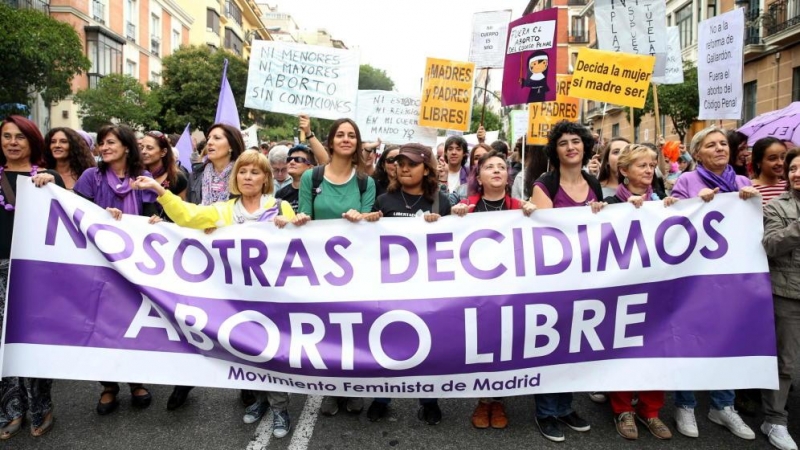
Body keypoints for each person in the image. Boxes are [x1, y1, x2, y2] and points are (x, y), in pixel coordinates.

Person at [134, 150, 296, 438]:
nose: (248, 177)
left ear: (266, 178)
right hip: (238, 300)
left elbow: (301, 248)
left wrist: (294, 225)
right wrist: (161, 191)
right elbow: (187, 215)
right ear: (236, 177)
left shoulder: (281, 208)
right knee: (251, 354)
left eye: (255, 172)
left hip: (274, 298)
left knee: (275, 355)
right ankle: (260, 402)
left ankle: (280, 408)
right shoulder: (223, 211)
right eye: (243, 172)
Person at [670, 125, 759, 440]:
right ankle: (686, 404)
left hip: (733, 276)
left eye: (723, 143)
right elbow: (672, 225)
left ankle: (723, 405)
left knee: (728, 338)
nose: (720, 148)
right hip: (695, 277)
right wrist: (693, 203)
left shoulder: (745, 183)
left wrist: (752, 200)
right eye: (712, 145)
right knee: (691, 337)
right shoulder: (686, 181)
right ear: (697, 154)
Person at [70, 124, 158, 416]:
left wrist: (155, 220)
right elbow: (76, 215)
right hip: (98, 265)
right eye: (101, 143)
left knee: (132, 323)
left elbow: (152, 216)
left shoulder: (143, 179)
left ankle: (136, 381)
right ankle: (108, 385)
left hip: (134, 267)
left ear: (126, 147)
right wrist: (101, 215)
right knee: (102, 325)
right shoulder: (90, 177)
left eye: (110, 142)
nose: (104, 148)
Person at [363, 143, 451, 425]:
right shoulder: (384, 201)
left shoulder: (442, 201)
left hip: (428, 289)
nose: (404, 168)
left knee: (429, 346)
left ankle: (429, 400)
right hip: (390, 289)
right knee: (388, 343)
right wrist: (366, 221)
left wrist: (451, 220)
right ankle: (382, 397)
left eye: (411, 163)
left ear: (426, 169)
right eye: (400, 162)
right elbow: (367, 244)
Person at [451, 150, 536, 430]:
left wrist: (534, 216)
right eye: (490, 167)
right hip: (478, 291)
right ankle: (484, 399)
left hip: (512, 290)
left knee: (506, 345)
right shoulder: (467, 207)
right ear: (480, 176)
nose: (497, 170)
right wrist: (455, 217)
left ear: (508, 176)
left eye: (502, 167)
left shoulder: (520, 207)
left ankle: (498, 399)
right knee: (483, 345)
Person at [297, 118, 376, 417]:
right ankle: (329, 388)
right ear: (330, 142)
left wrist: (362, 216)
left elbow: (370, 221)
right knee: (326, 334)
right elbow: (304, 215)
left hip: (356, 271)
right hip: (318, 270)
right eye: (340, 135)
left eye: (351, 135)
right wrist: (299, 219)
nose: (346, 139)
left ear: (357, 143)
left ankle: (353, 387)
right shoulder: (311, 178)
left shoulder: (365, 181)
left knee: (354, 332)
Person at [529, 120, 600, 442]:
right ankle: (546, 410)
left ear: (584, 147)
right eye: (563, 143)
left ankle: (565, 405)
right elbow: (546, 232)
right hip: (554, 282)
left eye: (576, 141)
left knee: (577, 345)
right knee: (551, 345)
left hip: (587, 279)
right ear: (555, 150)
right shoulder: (545, 184)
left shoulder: (593, 184)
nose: (571, 147)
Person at [603, 144, 675, 440]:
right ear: (624, 171)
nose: (649, 170)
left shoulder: (661, 200)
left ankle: (651, 411)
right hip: (623, 289)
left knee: (655, 347)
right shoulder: (610, 202)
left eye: (652, 165)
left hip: (656, 287)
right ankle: (623, 409)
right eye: (642, 165)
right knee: (624, 347)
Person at [0, 116, 64, 440]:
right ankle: (10, 410)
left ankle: (41, 406)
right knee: (2, 345)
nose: (12, 142)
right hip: (0, 270)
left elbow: (69, 221)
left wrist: (51, 185)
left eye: (19, 137)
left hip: (36, 273)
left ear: (31, 141)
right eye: (7, 136)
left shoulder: (49, 178)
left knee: (35, 341)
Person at [760, 147, 800, 450]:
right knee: (785, 363)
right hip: (788, 294)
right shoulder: (775, 206)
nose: (796, 174)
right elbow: (771, 245)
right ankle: (775, 419)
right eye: (793, 168)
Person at [187, 123, 243, 205]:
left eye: (217, 138)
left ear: (231, 145)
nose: (209, 142)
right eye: (208, 139)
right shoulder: (195, 176)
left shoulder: (243, 176)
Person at [140, 131, 188, 213]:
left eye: (149, 148)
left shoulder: (177, 178)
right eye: (141, 147)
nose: (143, 151)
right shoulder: (136, 175)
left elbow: (182, 211)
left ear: (163, 152)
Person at [276, 144, 316, 213]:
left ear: (310, 167)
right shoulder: (280, 194)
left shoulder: (317, 191)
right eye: (289, 159)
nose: (291, 162)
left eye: (298, 159)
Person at [751, 137, 788, 206]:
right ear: (758, 162)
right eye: (773, 159)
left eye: (783, 157)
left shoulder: (790, 186)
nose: (780, 163)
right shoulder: (748, 188)